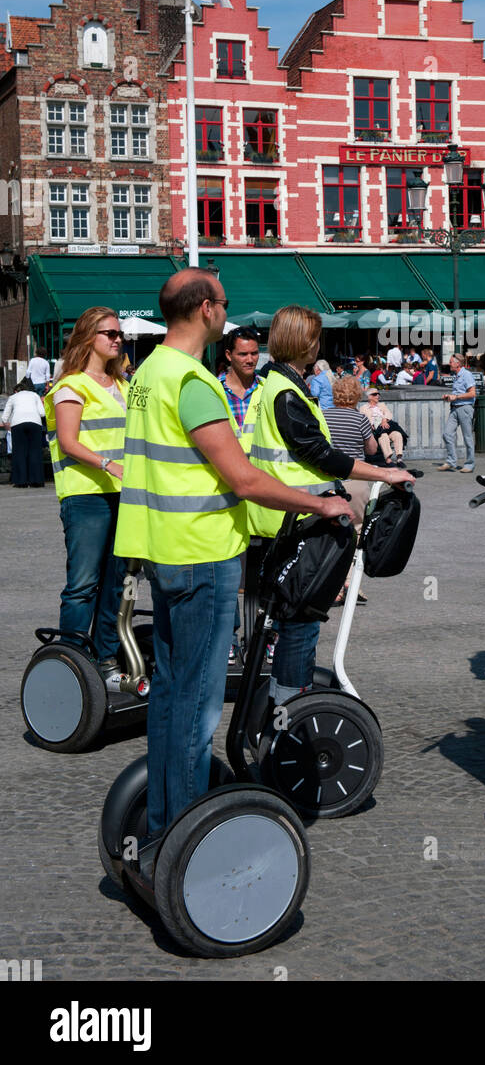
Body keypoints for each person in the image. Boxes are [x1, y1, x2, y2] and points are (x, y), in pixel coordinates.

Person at [114, 272, 354, 838]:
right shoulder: (192, 383)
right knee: (197, 706)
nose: (228, 310)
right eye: (223, 301)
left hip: (164, 550)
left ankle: (166, 816)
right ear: (203, 310)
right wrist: (320, 507)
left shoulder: (147, 372)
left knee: (170, 694)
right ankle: (188, 829)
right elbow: (243, 480)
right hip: (203, 552)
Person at [247, 307, 414, 706]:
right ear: (305, 343)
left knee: (292, 619)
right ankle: (290, 707)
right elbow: (321, 454)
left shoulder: (277, 385)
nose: (319, 344)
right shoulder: (286, 393)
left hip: (286, 517)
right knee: (300, 620)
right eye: (316, 338)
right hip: (296, 521)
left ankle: (284, 701)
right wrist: (384, 474)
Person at [44, 308, 128, 686]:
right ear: (87, 338)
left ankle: (106, 657)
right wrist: (109, 464)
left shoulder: (123, 385)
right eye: (108, 333)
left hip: (122, 494)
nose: (116, 339)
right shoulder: (71, 386)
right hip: (85, 494)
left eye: (118, 333)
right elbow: (68, 441)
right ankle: (72, 660)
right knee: (83, 583)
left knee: (117, 582)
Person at [218, 326, 262, 452]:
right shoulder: (214, 390)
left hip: (259, 468)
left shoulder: (266, 388)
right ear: (228, 355)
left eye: (254, 353)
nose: (250, 360)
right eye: (243, 354)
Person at [2, 378, 45, 487]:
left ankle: (21, 481)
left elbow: (4, 417)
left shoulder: (12, 397)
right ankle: (36, 480)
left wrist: (8, 422)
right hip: (35, 423)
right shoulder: (35, 395)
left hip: (18, 424)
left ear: (16, 391)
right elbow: (42, 413)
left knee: (19, 452)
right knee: (35, 451)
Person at [438, 354, 476, 472]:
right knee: (447, 434)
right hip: (455, 408)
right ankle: (451, 461)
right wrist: (449, 397)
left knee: (467, 437)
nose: (449, 364)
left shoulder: (467, 375)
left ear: (458, 364)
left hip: (464, 408)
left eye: (451, 362)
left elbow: (472, 393)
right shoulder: (457, 376)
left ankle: (469, 464)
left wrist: (456, 397)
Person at [360, 386, 406, 465]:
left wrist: (384, 420)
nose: (377, 396)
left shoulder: (382, 405)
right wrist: (372, 424)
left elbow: (389, 413)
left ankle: (399, 458)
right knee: (383, 436)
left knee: (397, 434)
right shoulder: (364, 408)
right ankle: (388, 460)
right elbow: (363, 418)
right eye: (375, 394)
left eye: (378, 394)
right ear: (369, 397)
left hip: (387, 426)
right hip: (376, 430)